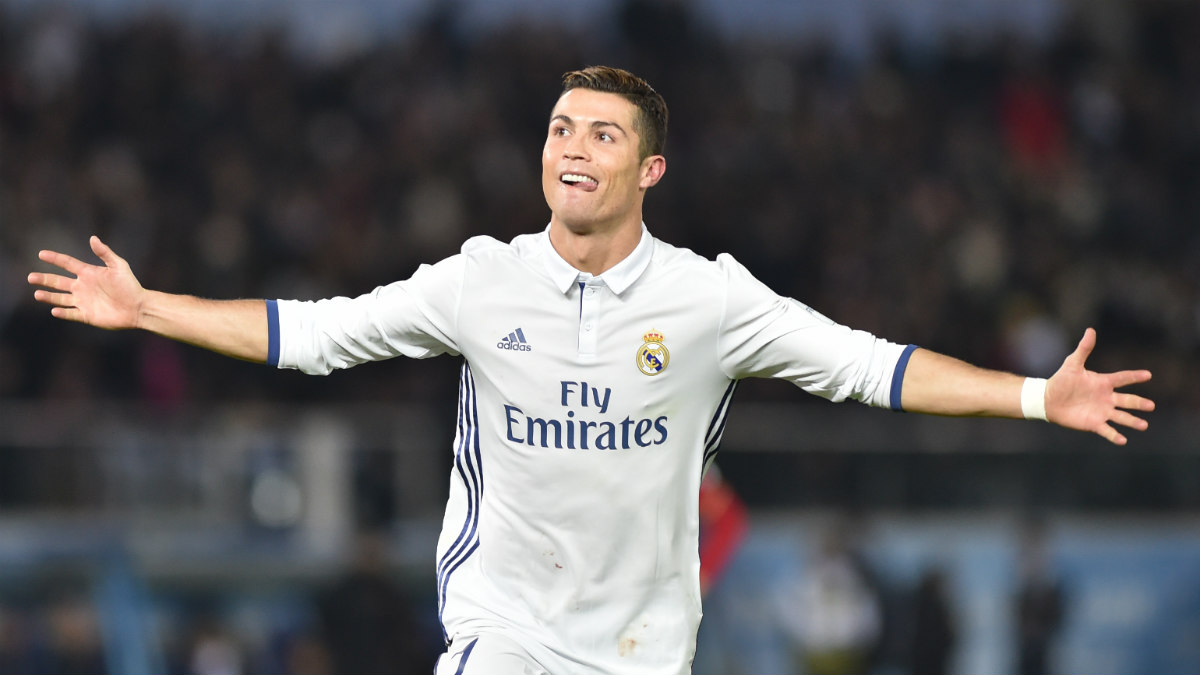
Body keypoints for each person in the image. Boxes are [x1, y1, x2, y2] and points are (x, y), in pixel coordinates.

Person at [27, 66, 1154, 675]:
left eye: (603, 133)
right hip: (502, 627)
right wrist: (146, 308)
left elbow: (867, 369)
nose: (573, 146)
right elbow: (315, 334)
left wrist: (1031, 396)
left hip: (642, 648)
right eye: (562, 127)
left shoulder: (711, 301)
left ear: (651, 166)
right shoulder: (479, 281)